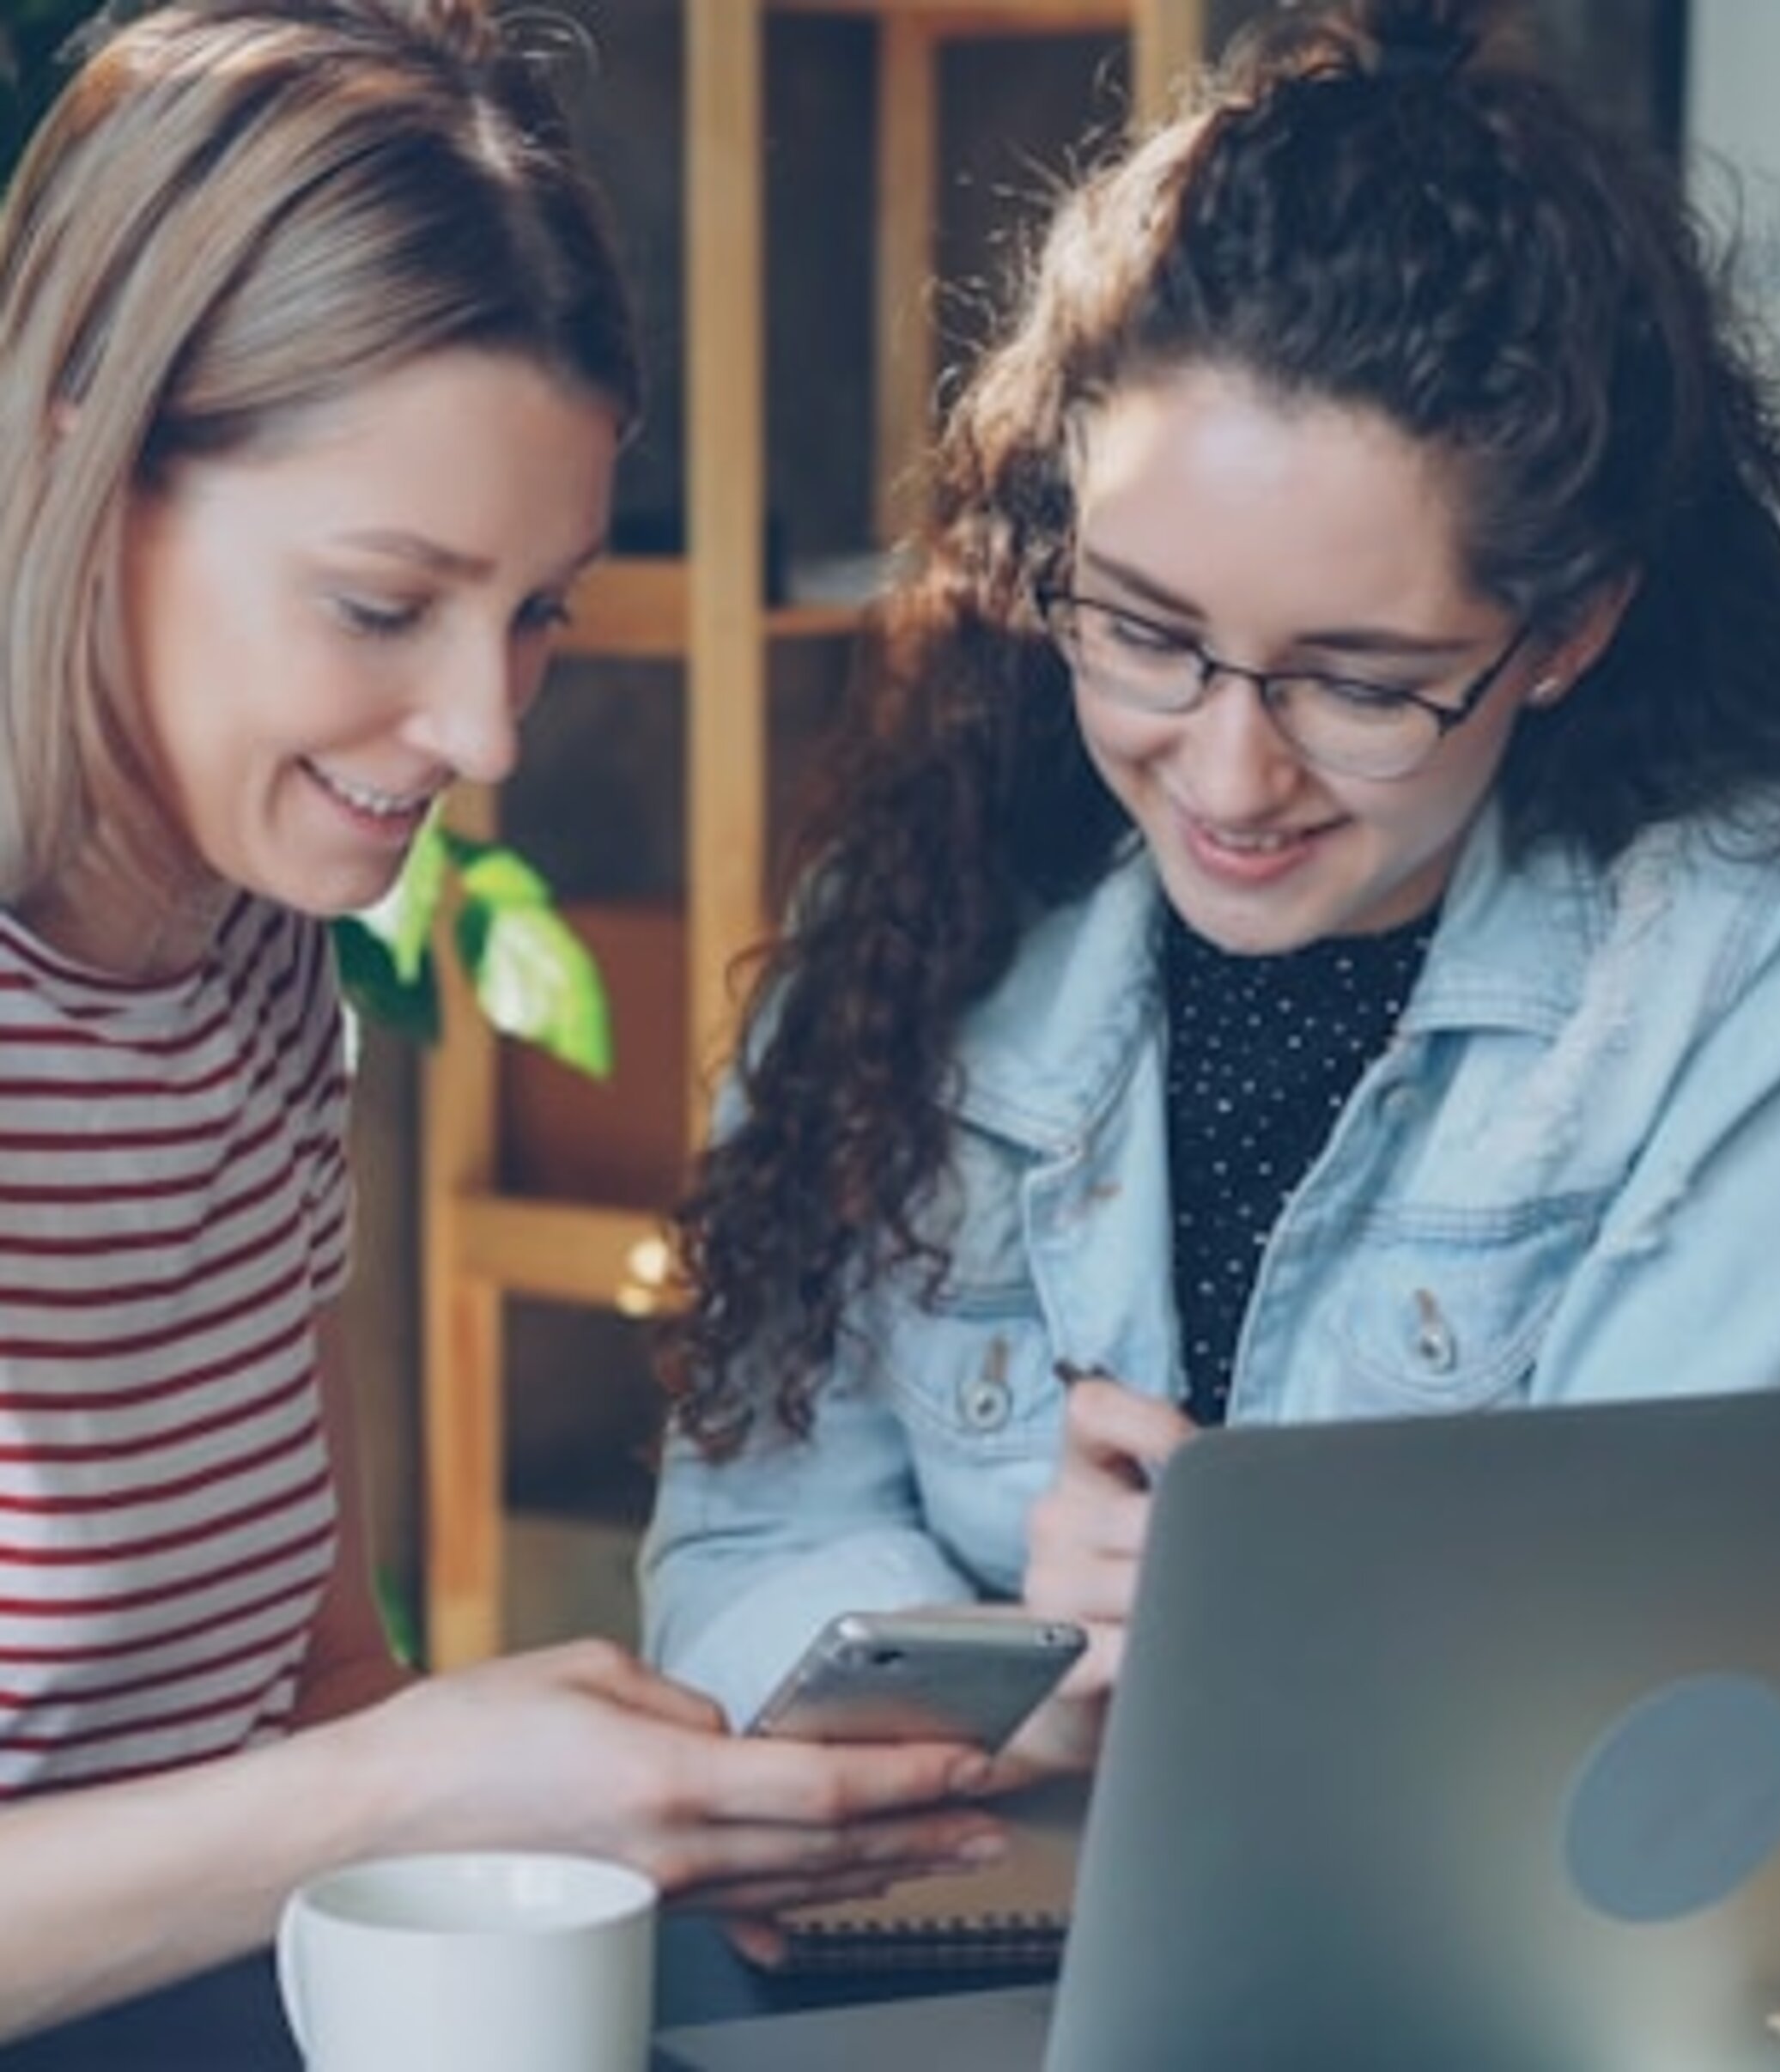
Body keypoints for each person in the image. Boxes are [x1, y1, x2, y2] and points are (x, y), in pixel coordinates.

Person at [641, 0, 1780, 1773]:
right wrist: (1012, 1675)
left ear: (1562, 631)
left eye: (1357, 681)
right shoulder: (932, 895)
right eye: (1144, 633)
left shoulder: (1746, 945)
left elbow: (1677, 1683)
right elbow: (738, 1552)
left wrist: (1265, 1632)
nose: (1232, 773)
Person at [0, 1, 1008, 2043]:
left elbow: (306, 1706)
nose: (482, 731)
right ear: (83, 454)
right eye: (385, 604)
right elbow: (345, 1776)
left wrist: (596, 1815)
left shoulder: (257, 960)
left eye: (536, 608)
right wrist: (413, 1778)